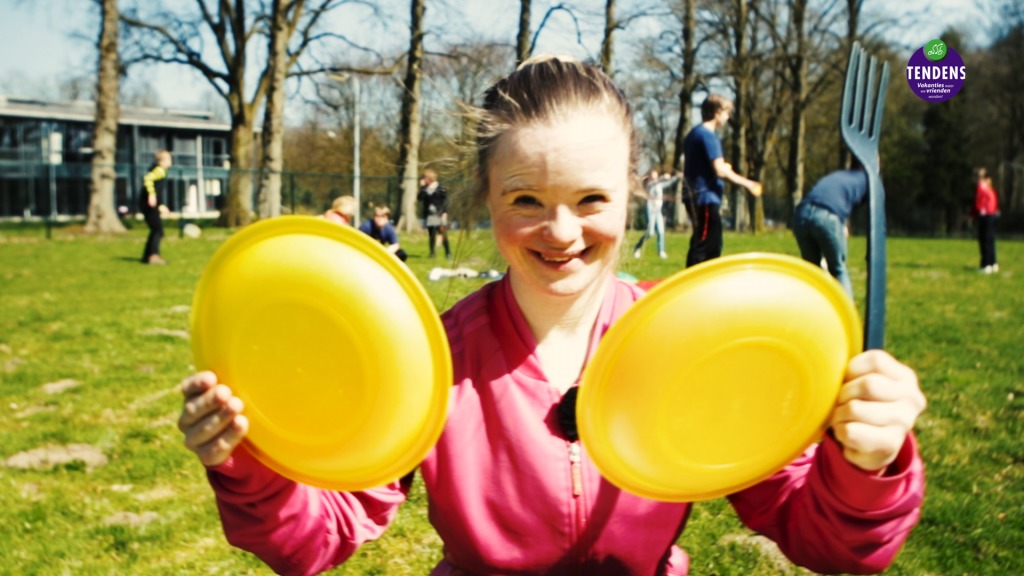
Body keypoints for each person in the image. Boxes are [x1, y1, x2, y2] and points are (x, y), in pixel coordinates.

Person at [177, 55, 926, 576]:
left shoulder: (696, 341)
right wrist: (252, 470)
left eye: (591, 200)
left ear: (632, 193)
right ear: (487, 197)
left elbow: (827, 540)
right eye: (526, 201)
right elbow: (319, 540)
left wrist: (867, 463)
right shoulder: (431, 362)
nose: (561, 232)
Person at [683, 94, 762, 267]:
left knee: (703, 240)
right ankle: (696, 284)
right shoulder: (708, 136)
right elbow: (719, 170)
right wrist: (748, 183)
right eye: (727, 113)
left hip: (696, 196)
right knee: (707, 246)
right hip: (704, 198)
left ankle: (697, 282)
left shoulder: (693, 134)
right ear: (717, 112)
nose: (728, 117)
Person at [791, 160, 869, 297]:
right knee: (838, 269)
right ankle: (846, 314)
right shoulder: (868, 180)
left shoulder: (841, 175)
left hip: (801, 215)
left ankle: (814, 312)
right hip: (827, 216)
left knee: (812, 270)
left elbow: (834, 196)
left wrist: (842, 223)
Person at [633, 169, 679, 259]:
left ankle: (661, 251)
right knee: (650, 233)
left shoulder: (659, 184)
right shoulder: (650, 185)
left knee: (661, 232)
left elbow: (669, 183)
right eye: (653, 176)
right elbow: (656, 182)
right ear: (650, 177)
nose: (655, 178)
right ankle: (637, 247)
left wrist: (677, 177)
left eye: (656, 176)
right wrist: (663, 177)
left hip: (658, 211)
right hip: (651, 211)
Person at [140, 149, 172, 265]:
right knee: (158, 230)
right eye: (168, 159)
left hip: (151, 204)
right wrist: (152, 195)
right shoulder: (159, 170)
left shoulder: (162, 171)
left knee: (156, 230)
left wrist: (161, 205)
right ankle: (153, 256)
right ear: (160, 161)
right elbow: (148, 178)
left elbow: (157, 190)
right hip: (148, 204)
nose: (170, 161)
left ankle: (147, 256)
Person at [418, 168, 451, 259]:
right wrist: (422, 187)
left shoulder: (440, 188)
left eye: (424, 177)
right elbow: (419, 198)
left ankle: (448, 252)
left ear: (429, 178)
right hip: (429, 215)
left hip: (439, 214)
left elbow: (446, 202)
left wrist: (445, 213)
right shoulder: (425, 189)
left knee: (443, 233)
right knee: (431, 235)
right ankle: (432, 253)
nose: (423, 179)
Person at [973, 167, 1000, 274]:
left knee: (985, 240)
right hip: (992, 214)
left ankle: (986, 265)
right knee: (990, 240)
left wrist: (977, 213)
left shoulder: (982, 186)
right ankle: (993, 264)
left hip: (986, 215)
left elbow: (980, 201)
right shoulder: (989, 186)